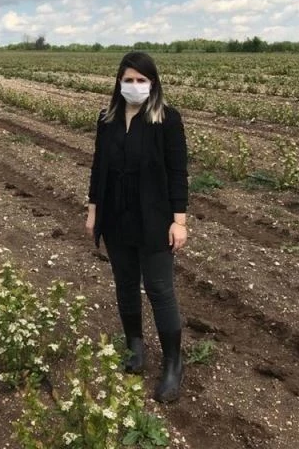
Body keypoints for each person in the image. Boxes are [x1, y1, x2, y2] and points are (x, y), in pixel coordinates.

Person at [85, 51, 188, 403]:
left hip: (155, 218)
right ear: (118, 83)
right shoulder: (107, 118)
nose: (134, 85)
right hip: (115, 216)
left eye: (141, 80)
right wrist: (93, 210)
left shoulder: (168, 120)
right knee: (126, 284)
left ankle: (173, 364)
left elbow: (178, 173)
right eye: (128, 80)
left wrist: (179, 221)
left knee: (160, 289)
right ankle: (135, 347)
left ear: (153, 83)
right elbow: (99, 168)